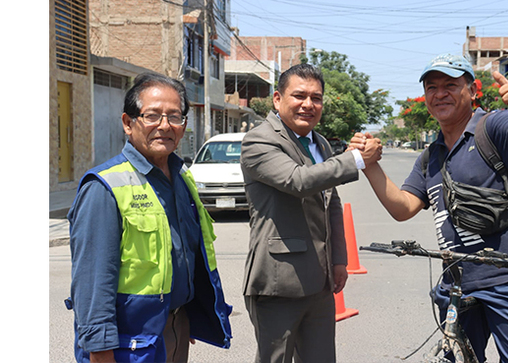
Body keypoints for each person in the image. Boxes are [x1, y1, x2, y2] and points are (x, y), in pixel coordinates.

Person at [350, 53, 508, 362]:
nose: (440, 93)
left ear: (473, 90)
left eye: (450, 84)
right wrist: (369, 166)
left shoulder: (492, 126)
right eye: (432, 87)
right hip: (457, 284)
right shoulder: (431, 156)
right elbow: (403, 208)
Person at [67, 72, 232, 363]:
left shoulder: (181, 176)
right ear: (128, 123)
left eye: (175, 117)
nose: (165, 126)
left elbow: (185, 253)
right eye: (152, 116)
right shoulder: (104, 187)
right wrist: (99, 350)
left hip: (174, 326)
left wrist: (188, 314)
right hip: (127, 341)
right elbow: (92, 282)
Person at [240, 63, 382, 363]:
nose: (308, 105)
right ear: (277, 99)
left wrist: (339, 260)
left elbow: (331, 204)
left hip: (320, 281)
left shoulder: (319, 143)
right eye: (299, 96)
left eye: (316, 98)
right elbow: (298, 181)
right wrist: (355, 159)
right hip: (279, 283)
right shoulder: (260, 140)